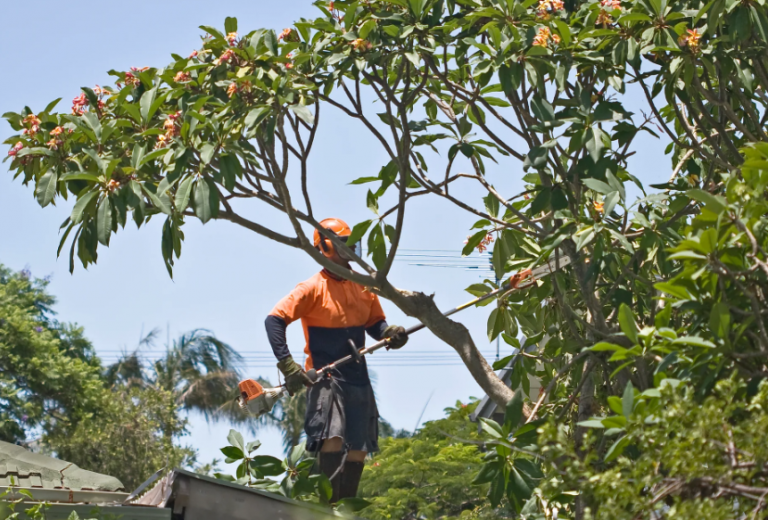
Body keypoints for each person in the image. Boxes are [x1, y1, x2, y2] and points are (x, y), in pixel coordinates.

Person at [265, 218, 408, 502]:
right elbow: (274, 320)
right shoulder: (311, 287)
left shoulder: (363, 285)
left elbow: (375, 323)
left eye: (352, 243)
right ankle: (327, 508)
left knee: (359, 447)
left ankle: (345, 507)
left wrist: (390, 333)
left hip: (357, 375)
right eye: (345, 243)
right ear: (327, 247)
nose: (352, 248)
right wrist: (289, 366)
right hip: (325, 377)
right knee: (332, 438)